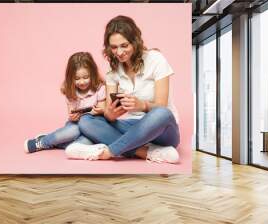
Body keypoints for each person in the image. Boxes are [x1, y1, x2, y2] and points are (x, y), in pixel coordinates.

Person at [65, 15, 180, 163]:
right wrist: (110, 113)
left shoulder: (156, 59)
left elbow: (162, 105)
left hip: (161, 130)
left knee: (162, 113)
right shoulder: (112, 72)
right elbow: (109, 114)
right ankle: (144, 152)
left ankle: (110, 151)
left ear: (135, 42)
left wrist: (142, 105)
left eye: (124, 45)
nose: (119, 52)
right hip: (132, 127)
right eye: (114, 47)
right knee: (86, 120)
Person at [25, 52, 106, 157]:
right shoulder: (71, 91)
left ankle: (56, 143)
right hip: (76, 125)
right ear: (70, 77)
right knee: (73, 131)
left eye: (86, 77)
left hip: (94, 126)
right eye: (77, 79)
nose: (82, 82)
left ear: (93, 74)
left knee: (81, 144)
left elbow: (103, 109)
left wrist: (98, 110)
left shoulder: (100, 88)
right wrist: (73, 117)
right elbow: (71, 114)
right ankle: (43, 141)